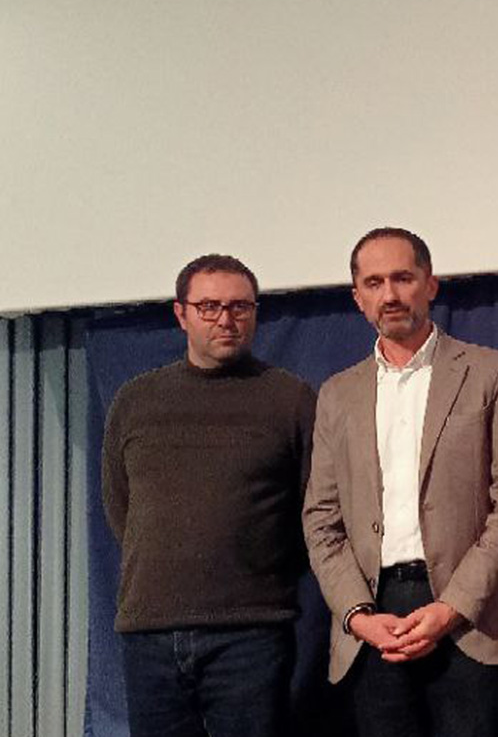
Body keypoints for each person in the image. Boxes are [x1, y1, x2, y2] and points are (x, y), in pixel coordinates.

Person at [302, 227, 498, 737]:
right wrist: (359, 616)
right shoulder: (337, 394)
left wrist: (451, 607)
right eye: (375, 282)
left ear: (430, 284)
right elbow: (321, 518)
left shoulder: (490, 372)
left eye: (403, 278)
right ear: (358, 297)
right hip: (374, 619)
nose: (390, 294)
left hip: (470, 616)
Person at [102, 254, 317, 737]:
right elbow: (121, 507)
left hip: (252, 632)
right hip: (149, 630)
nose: (226, 319)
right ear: (181, 314)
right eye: (210, 306)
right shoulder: (136, 400)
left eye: (241, 307)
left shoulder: (289, 398)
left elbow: (314, 510)